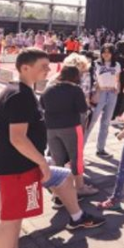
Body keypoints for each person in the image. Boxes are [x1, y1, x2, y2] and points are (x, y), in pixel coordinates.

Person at [0, 48, 105, 248]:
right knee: (10, 218)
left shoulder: (21, 91)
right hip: (16, 167)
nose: (48, 70)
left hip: (20, 165)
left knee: (16, 214)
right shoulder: (19, 95)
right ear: (25, 68)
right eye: (42, 66)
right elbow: (17, 138)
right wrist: (43, 163)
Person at [41, 65, 97, 197]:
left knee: (57, 158)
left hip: (51, 128)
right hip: (71, 126)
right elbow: (82, 109)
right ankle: (80, 187)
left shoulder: (49, 89)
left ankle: (59, 189)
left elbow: (42, 105)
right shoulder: (75, 90)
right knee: (76, 157)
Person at [88, 44, 121, 158]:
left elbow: (117, 79)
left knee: (106, 122)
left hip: (111, 94)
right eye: (104, 52)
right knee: (91, 121)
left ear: (112, 53)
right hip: (100, 93)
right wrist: (94, 91)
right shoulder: (96, 64)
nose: (106, 54)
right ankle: (80, 150)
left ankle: (100, 149)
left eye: (108, 52)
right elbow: (92, 79)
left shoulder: (116, 65)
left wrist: (117, 88)